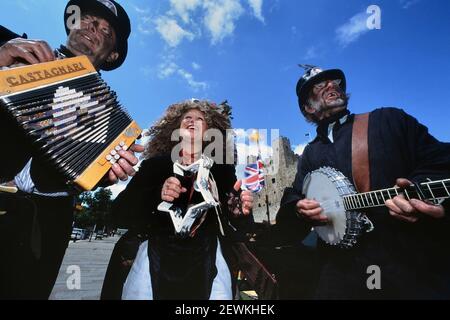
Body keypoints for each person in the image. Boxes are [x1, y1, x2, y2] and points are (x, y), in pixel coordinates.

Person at [0, 0, 143, 299]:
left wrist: (101, 175)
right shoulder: (12, 47)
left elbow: (88, 176)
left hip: (42, 229)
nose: (92, 27)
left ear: (112, 54)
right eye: (88, 19)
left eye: (106, 30)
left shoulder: (110, 121)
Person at [277, 65, 450, 299]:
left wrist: (418, 188)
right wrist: (299, 209)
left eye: (334, 81)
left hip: (406, 265)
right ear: (308, 108)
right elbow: (293, 199)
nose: (331, 85)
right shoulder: (309, 154)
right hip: (339, 270)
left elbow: (440, 161)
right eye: (319, 85)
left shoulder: (389, 120)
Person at [103, 99, 254, 300]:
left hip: (208, 258)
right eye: (187, 119)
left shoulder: (223, 171)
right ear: (176, 129)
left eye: (200, 119)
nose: (192, 121)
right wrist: (158, 194)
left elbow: (236, 222)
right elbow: (118, 213)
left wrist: (237, 212)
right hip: (155, 255)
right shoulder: (154, 165)